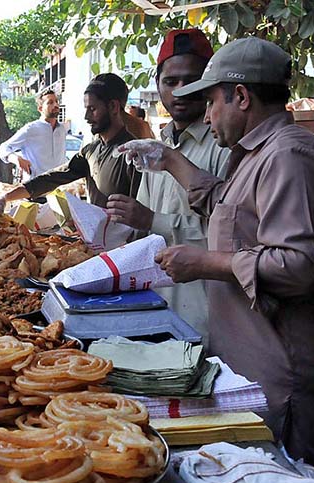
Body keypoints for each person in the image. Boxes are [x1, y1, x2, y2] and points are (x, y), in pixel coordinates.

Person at [119, 37, 314, 483]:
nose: (205, 115)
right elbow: (225, 205)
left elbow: (298, 264)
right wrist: (169, 160)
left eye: (210, 101)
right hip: (253, 374)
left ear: (240, 96)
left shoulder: (289, 156)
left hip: (287, 380)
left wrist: (206, 263)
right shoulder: (254, 155)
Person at [106, 29, 230, 345]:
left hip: (208, 319)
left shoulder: (225, 146)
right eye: (170, 82)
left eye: (191, 79)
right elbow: (146, 235)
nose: (180, 91)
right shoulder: (156, 146)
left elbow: (231, 239)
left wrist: (150, 220)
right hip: (158, 310)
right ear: (157, 83)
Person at [0, 73, 141, 210]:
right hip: (96, 239)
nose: (86, 117)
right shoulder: (91, 150)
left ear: (113, 107)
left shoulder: (135, 155)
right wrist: (5, 197)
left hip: (126, 242)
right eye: (86, 109)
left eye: (92, 109)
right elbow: (52, 178)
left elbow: (144, 214)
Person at [0, 88, 66, 182]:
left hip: (59, 187)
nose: (55, 105)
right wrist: (17, 159)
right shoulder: (31, 129)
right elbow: (3, 148)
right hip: (35, 188)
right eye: (50, 102)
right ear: (40, 109)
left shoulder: (62, 129)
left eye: (56, 101)